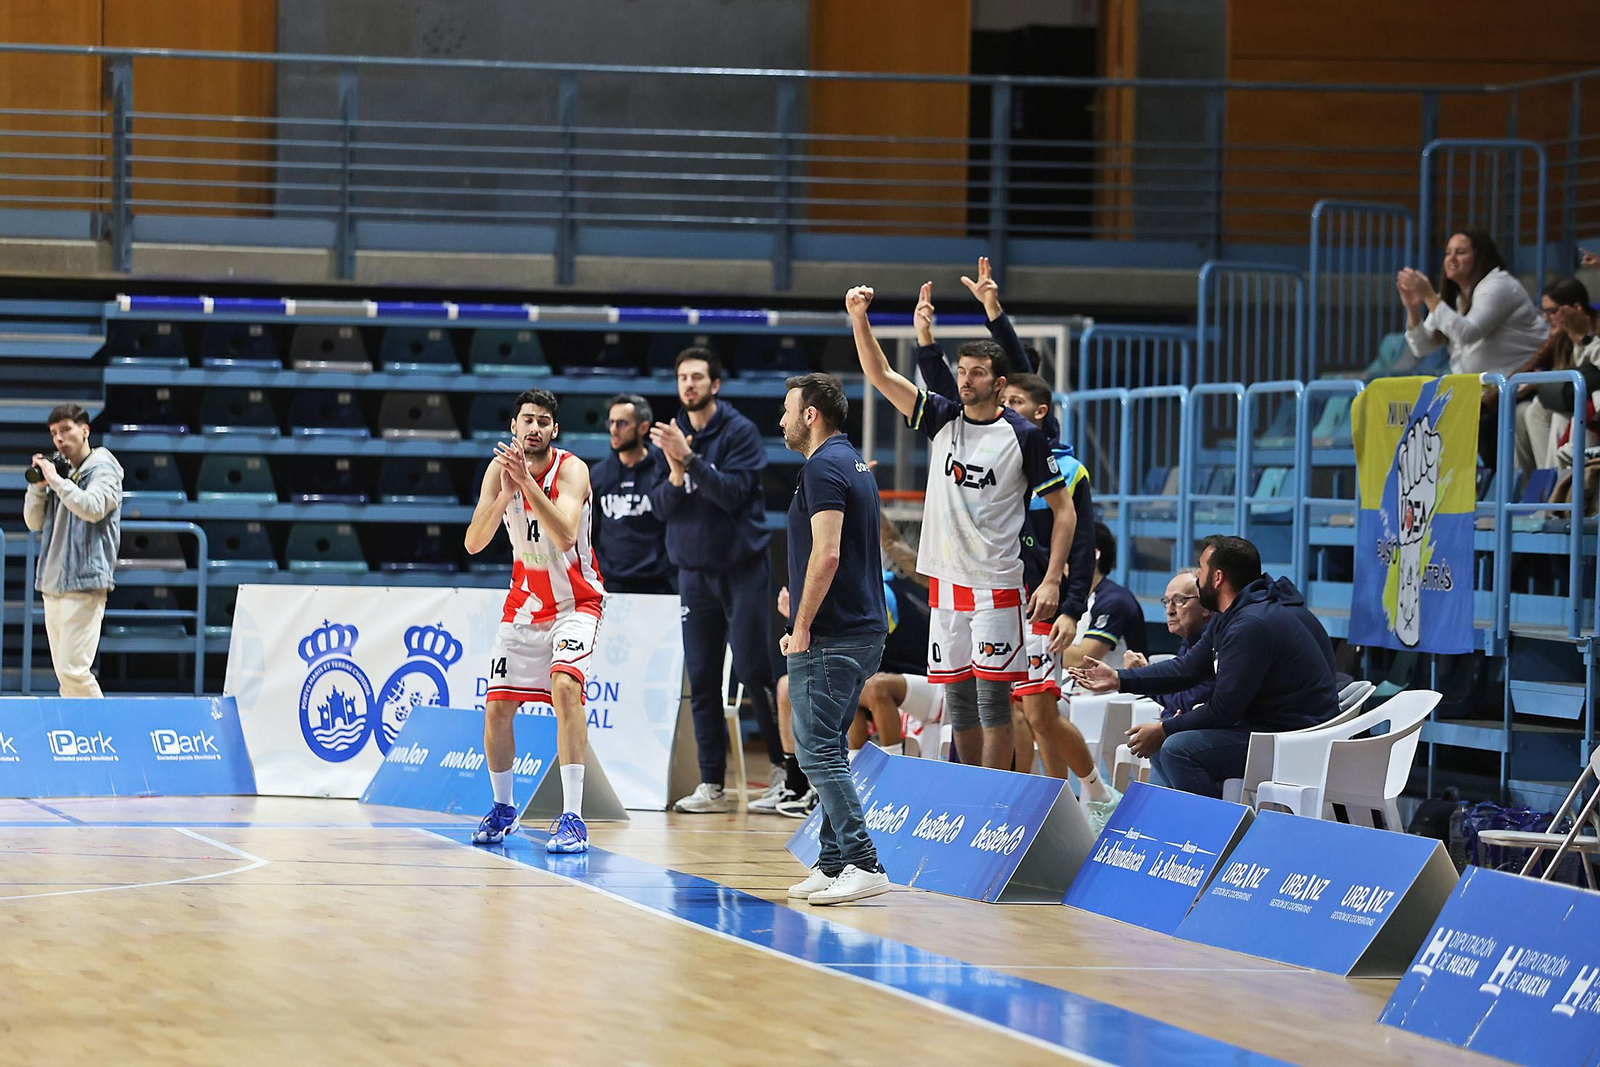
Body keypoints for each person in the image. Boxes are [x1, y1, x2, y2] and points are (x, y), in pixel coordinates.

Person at [849, 283, 1076, 771]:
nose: (966, 379)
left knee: (994, 703)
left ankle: (991, 795)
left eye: (977, 372)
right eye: (962, 371)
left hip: (997, 585)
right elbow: (880, 373)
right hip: (946, 585)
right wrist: (859, 318)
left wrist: (1053, 580)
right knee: (959, 704)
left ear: (999, 382)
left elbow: (1065, 511)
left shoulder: (1024, 436)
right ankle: (966, 790)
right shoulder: (941, 417)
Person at [1069, 536, 1339, 799]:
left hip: (1295, 738)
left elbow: (1224, 709)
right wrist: (1119, 678)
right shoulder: (1232, 616)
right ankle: (1172, 824)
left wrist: (1166, 729)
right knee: (1166, 744)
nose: (1198, 577)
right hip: (1267, 728)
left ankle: (1213, 827)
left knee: (1177, 748)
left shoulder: (1251, 625)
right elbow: (1186, 669)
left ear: (1217, 577)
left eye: (1200, 569)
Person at [465, 388, 606, 853]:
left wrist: (527, 485)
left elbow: (565, 535)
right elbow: (473, 542)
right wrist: (506, 492)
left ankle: (573, 818)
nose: (534, 428)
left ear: (554, 430)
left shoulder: (572, 469)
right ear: (514, 426)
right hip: (525, 604)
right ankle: (504, 808)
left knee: (565, 688)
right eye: (527, 419)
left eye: (543, 421)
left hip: (576, 603)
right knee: (497, 707)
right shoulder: (498, 471)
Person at [648, 348, 786, 813]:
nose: (688, 384)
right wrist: (674, 471)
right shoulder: (670, 433)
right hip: (693, 572)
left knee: (752, 668)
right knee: (702, 676)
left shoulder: (739, 432)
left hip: (742, 569)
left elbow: (732, 494)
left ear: (715, 384)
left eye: (697, 377)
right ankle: (712, 784)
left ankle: (784, 770)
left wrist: (689, 459)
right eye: (682, 377)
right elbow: (659, 508)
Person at [777, 372, 892, 906]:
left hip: (833, 633)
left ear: (810, 415)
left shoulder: (822, 467)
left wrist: (801, 624)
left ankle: (864, 862)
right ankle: (832, 862)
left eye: (787, 410)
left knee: (817, 751)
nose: (780, 420)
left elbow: (827, 555)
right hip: (862, 628)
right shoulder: (852, 462)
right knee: (829, 749)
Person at [22, 403, 123, 699]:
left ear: (85, 430)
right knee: (65, 675)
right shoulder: (62, 472)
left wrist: (57, 481)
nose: (59, 438)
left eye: (66, 430)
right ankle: (78, 726)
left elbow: (92, 507)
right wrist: (39, 486)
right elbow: (33, 522)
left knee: (74, 671)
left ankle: (101, 726)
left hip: (85, 581)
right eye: (54, 433)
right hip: (53, 582)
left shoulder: (103, 469)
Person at [1396, 230, 1545, 379]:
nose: (1451, 259)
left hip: (1523, 383)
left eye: (1460, 252)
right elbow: (1422, 348)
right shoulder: (1452, 298)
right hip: (1482, 386)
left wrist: (1429, 296)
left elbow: (1467, 334)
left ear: (1480, 257)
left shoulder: (1498, 285)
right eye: (1448, 253)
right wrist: (1413, 310)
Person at [1507, 279, 1600, 472]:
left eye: (1553, 311)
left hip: (1588, 400)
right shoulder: (1559, 336)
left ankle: (1556, 479)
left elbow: (1589, 372)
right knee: (1528, 411)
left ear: (1576, 308)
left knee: (1554, 415)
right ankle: (1545, 477)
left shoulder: (1593, 327)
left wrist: (1581, 337)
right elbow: (1543, 363)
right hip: (1574, 398)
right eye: (1544, 312)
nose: (1547, 319)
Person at [589, 393, 674, 594]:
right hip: (610, 582)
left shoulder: (664, 469)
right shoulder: (599, 474)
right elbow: (590, 531)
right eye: (610, 422)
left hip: (657, 583)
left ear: (643, 427)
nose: (613, 430)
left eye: (621, 424)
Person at [1120, 567, 1215, 719]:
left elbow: (1186, 701)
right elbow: (1175, 706)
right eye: (1166, 602)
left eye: (1179, 601)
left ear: (1206, 607)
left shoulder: (1214, 643)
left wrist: (1145, 678)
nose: (1169, 611)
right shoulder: (1189, 640)